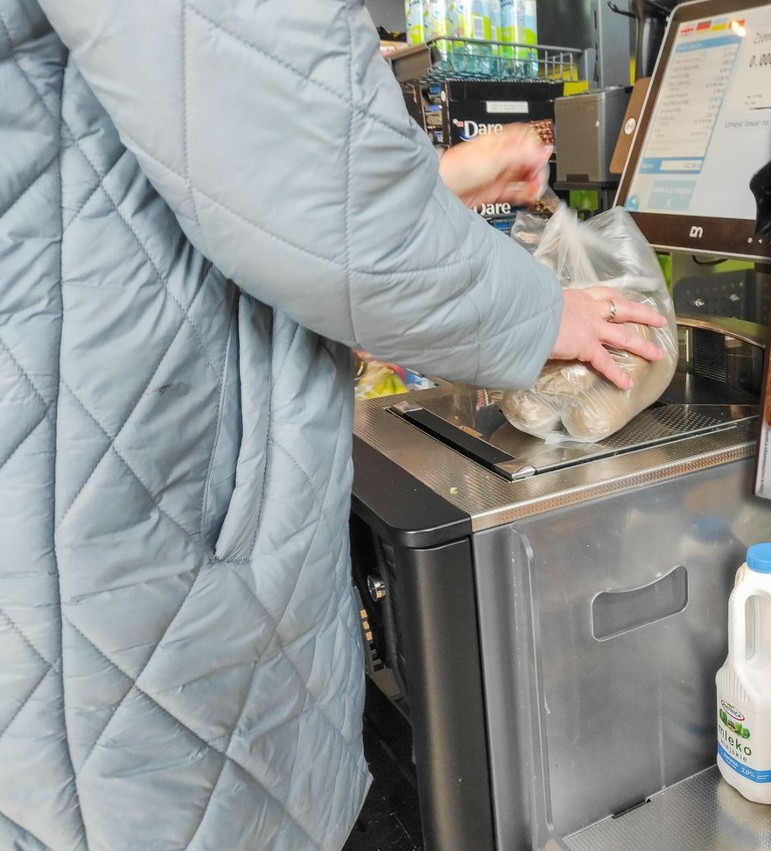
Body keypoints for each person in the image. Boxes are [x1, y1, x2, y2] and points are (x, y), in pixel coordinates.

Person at [0, 3, 665, 850]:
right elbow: (321, 201)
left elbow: (175, 162)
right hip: (137, 522)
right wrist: (544, 317)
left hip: (86, 482)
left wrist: (437, 183)